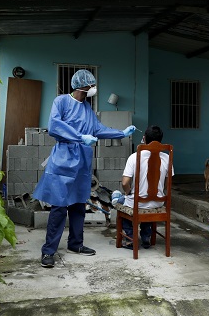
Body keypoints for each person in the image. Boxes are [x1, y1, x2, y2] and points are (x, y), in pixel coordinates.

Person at [34, 69, 136, 268]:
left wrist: (120, 133)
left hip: (82, 162)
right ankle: (48, 251)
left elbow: (98, 129)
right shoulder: (61, 102)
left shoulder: (88, 108)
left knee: (79, 204)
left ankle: (76, 244)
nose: (94, 88)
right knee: (59, 207)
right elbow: (54, 126)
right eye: (92, 85)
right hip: (63, 160)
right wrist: (80, 137)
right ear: (83, 85)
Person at [111, 125, 174, 249]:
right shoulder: (167, 158)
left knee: (120, 201)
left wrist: (128, 193)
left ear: (144, 139)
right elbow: (167, 183)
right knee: (147, 205)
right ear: (160, 140)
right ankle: (146, 237)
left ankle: (130, 239)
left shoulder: (134, 157)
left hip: (137, 203)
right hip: (158, 203)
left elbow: (125, 183)